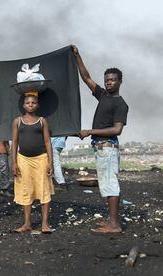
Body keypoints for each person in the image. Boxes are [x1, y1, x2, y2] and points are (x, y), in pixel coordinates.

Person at [72, 45, 129, 234]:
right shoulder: (103, 95)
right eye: (107, 80)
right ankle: (112, 221)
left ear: (120, 82)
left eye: (113, 80)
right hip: (100, 148)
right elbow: (86, 78)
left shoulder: (120, 104)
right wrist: (77, 56)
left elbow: (117, 129)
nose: (109, 83)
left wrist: (89, 131)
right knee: (106, 184)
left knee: (111, 185)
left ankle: (114, 225)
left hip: (108, 148)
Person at [11, 94, 54, 234]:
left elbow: (47, 142)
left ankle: (45, 224)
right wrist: (14, 163)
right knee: (26, 189)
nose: (30, 104)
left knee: (44, 189)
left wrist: (50, 162)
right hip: (23, 159)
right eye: (28, 103)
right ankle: (27, 224)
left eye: (33, 102)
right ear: (23, 105)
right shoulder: (17, 121)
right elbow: (15, 143)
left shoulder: (42, 121)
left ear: (37, 105)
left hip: (41, 159)